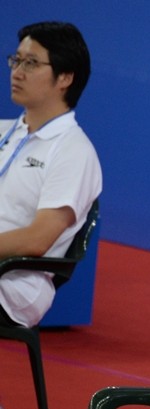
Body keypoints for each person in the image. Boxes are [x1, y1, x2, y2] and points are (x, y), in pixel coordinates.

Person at [0, 21, 102, 328]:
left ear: (65, 77)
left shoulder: (74, 152)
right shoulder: (4, 130)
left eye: (31, 63)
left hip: (14, 287)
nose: (17, 72)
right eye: (16, 60)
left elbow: (38, 239)